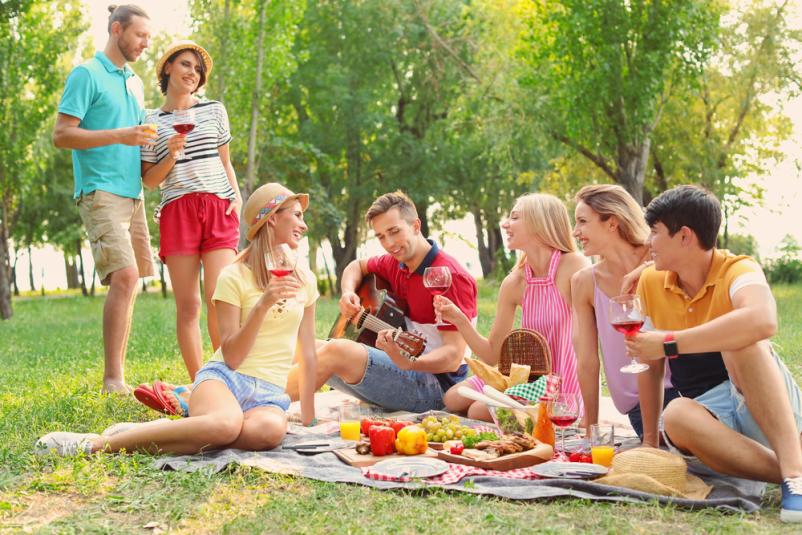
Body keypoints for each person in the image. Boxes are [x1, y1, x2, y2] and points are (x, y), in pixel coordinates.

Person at [36, 183, 319, 456]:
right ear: (271, 219)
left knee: (267, 434)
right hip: (226, 380)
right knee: (225, 426)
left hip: (268, 393)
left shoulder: (305, 279)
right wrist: (263, 305)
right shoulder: (233, 276)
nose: (303, 225)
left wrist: (309, 414)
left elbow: (307, 350)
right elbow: (231, 356)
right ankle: (98, 445)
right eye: (296, 215)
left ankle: (167, 431)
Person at [624, 185, 802, 522]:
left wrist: (671, 341)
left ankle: (794, 474)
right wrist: (650, 442)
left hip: (764, 406)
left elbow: (763, 320)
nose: (648, 242)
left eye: (655, 232)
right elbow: (651, 364)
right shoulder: (651, 282)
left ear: (685, 236)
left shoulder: (738, 270)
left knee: (743, 341)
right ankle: (792, 474)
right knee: (674, 414)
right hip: (715, 424)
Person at [286, 191, 477, 413]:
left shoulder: (448, 276)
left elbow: (453, 358)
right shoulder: (397, 263)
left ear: (416, 226)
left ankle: (265, 404)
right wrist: (348, 292)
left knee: (338, 350)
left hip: (437, 388)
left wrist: (409, 363)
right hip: (402, 366)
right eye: (381, 236)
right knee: (301, 346)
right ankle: (249, 391)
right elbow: (357, 266)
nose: (389, 243)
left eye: (395, 232)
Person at [53, 4, 156, 394]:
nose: (146, 43)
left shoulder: (135, 80)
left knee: (131, 282)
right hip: (100, 190)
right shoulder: (87, 74)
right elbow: (62, 135)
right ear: (117, 30)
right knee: (125, 276)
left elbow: (138, 136)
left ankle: (119, 376)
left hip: (132, 193)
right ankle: (113, 379)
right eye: (140, 35)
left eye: (148, 37)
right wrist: (120, 135)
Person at [435, 193, 588, 421]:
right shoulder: (514, 283)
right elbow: (491, 354)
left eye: (515, 217)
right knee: (453, 398)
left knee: (477, 410)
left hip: (561, 381)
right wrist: (459, 320)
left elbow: (588, 338)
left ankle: (513, 406)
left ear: (540, 223)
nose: (506, 224)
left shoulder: (573, 266)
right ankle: (510, 400)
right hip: (526, 378)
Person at [141, 40, 241, 381]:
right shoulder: (150, 120)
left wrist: (237, 200)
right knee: (189, 306)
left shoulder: (215, 109)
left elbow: (226, 163)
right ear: (167, 67)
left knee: (220, 297)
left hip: (217, 206)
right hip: (177, 211)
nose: (192, 73)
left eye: (197, 69)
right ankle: (201, 382)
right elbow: (150, 181)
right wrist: (170, 153)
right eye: (185, 64)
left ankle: (227, 377)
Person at [571, 184, 678, 439]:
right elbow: (587, 361)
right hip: (639, 406)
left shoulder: (660, 258)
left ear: (612, 222)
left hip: (686, 388)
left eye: (582, 222)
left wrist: (649, 269)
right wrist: (590, 429)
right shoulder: (584, 282)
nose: (575, 232)